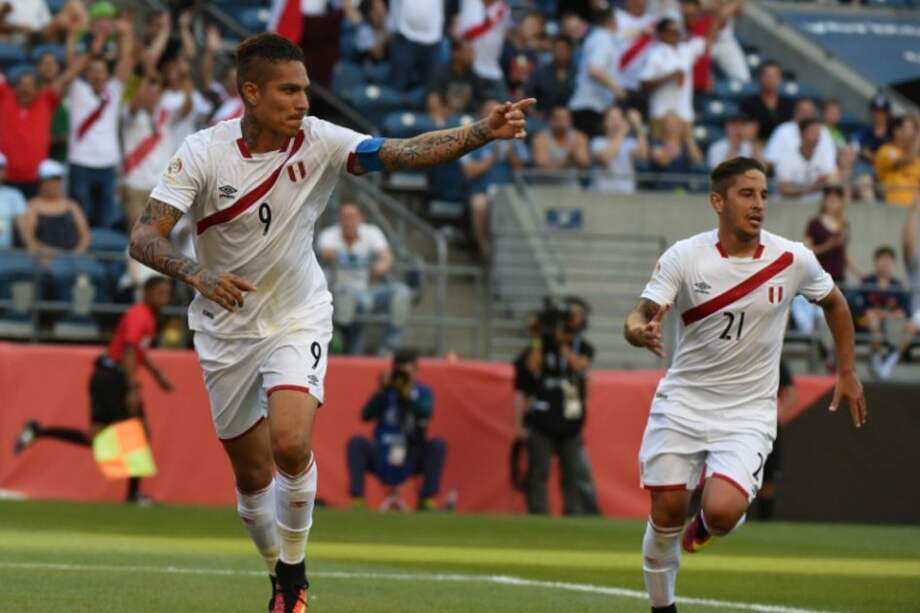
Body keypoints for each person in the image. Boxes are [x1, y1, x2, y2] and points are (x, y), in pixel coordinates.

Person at [127, 32, 534, 612]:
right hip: (225, 326)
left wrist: (478, 133)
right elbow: (144, 235)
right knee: (251, 479)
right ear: (251, 92)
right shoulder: (201, 152)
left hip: (297, 314)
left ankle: (294, 575)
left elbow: (399, 151)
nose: (302, 102)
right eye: (289, 91)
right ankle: (277, 571)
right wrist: (196, 275)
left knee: (291, 445)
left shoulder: (318, 140)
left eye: (305, 89)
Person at [623, 156, 866, 613]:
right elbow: (640, 313)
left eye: (764, 195)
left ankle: (710, 528)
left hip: (747, 413)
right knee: (667, 513)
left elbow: (835, 303)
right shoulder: (685, 256)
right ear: (718, 201)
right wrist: (639, 330)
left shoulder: (792, 258)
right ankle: (662, 608)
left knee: (719, 512)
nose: (759, 205)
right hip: (684, 403)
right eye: (746, 194)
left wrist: (847, 371)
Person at [13, 276, 174, 503]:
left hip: (103, 376)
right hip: (115, 379)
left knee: (95, 439)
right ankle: (133, 495)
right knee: (137, 432)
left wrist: (157, 375)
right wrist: (131, 388)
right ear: (147, 294)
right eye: (160, 292)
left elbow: (136, 350)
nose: (164, 297)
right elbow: (129, 350)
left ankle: (39, 431)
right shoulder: (141, 315)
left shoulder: (147, 317)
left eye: (167, 293)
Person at [514, 297, 599, 516]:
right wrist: (539, 338)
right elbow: (533, 365)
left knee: (571, 471)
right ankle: (538, 511)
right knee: (539, 469)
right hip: (543, 414)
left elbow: (579, 366)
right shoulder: (543, 342)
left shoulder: (583, 346)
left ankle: (573, 512)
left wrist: (562, 344)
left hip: (570, 417)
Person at [346, 349, 447, 510]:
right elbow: (365, 415)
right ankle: (357, 499)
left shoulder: (422, 392)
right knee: (356, 443)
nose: (403, 378)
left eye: (407, 373)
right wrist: (381, 392)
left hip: (410, 451)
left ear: (415, 370)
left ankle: (427, 499)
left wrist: (407, 396)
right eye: (400, 372)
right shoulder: (386, 392)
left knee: (438, 445)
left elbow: (426, 412)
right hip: (382, 450)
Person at [316, 202, 412, 355]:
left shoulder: (372, 232)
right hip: (338, 291)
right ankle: (343, 345)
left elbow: (387, 257)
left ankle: (388, 348)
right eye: (345, 217)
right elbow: (326, 253)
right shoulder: (329, 234)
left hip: (367, 289)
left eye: (353, 217)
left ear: (361, 218)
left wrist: (380, 266)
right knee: (358, 301)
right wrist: (350, 258)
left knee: (401, 293)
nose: (349, 222)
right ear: (339, 220)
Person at [66, 14, 133, 228]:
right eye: (93, 70)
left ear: (106, 74)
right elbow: (72, 63)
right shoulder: (78, 89)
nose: (97, 74)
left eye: (101, 71)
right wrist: (98, 40)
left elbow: (127, 61)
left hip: (107, 162)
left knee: (105, 217)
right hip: (80, 161)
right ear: (86, 73)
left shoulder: (113, 90)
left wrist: (125, 34)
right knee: (80, 218)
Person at [16, 160, 109, 305]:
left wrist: (77, 253)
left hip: (75, 255)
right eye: (50, 180)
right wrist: (44, 253)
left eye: (57, 180)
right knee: (60, 275)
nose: (54, 184)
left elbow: (85, 235)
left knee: (97, 273)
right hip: (48, 257)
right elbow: (28, 237)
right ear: (41, 182)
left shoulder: (71, 205)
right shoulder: (33, 206)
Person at [639, 14, 724, 132]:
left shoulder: (686, 50)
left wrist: (720, 17)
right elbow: (644, 84)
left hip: (684, 113)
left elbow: (707, 40)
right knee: (659, 148)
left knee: (685, 148)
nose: (675, 34)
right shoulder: (654, 55)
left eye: (677, 31)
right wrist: (669, 77)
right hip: (661, 114)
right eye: (670, 31)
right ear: (661, 34)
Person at [852, 246, 917, 380]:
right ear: (876, 262)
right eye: (882, 260)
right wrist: (887, 314)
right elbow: (862, 310)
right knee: (873, 320)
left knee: (910, 328)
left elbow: (904, 312)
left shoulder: (897, 285)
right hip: (866, 324)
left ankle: (889, 362)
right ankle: (875, 357)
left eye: (889, 261)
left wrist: (882, 314)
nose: (885, 264)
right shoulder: (867, 282)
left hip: (892, 327)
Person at [568, 8, 625, 137]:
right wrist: (616, 88)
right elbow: (594, 69)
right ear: (611, 21)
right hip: (589, 106)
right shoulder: (603, 39)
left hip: (594, 105)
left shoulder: (599, 37)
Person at [752, 359, 797, 521]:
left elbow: (792, 394)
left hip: (767, 425)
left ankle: (764, 522)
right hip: (741, 420)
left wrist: (779, 414)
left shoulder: (775, 360)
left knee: (769, 477)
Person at [457, 0, 511, 100]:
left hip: (493, 68)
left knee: (506, 107)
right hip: (471, 67)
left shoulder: (502, 9)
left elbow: (508, 33)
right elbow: (463, 34)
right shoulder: (469, 3)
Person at [775, 119, 839, 203]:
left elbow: (834, 179)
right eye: (813, 133)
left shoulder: (824, 154)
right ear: (801, 134)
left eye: (818, 134)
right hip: (791, 205)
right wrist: (811, 188)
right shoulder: (786, 156)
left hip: (818, 204)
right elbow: (783, 188)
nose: (817, 137)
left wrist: (827, 181)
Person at [590, 105, 649, 194]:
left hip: (626, 195)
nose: (616, 122)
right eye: (612, 118)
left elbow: (642, 155)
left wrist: (638, 125)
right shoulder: (597, 142)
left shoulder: (629, 143)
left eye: (619, 118)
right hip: (602, 195)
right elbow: (605, 157)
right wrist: (622, 133)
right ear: (604, 123)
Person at [532, 106, 590, 185]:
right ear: (551, 120)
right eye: (559, 118)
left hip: (570, 187)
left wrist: (574, 156)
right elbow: (543, 166)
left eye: (565, 118)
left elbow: (584, 164)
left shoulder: (580, 137)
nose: (562, 122)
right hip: (545, 187)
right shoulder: (540, 138)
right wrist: (567, 160)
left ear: (570, 121)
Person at [739, 61, 795, 144]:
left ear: (781, 79)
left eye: (775, 76)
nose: (771, 80)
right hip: (756, 147)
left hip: (783, 148)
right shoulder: (749, 103)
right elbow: (748, 133)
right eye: (768, 76)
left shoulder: (789, 104)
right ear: (760, 78)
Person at [524, 35, 575, 119]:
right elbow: (526, 94)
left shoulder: (578, 73)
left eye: (563, 49)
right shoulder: (541, 72)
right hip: (544, 118)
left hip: (571, 119)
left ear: (570, 51)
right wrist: (534, 114)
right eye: (556, 49)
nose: (559, 52)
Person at [875, 116, 920, 207]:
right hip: (895, 208)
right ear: (897, 131)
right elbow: (906, 160)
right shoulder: (886, 150)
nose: (913, 134)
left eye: (915, 130)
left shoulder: (918, 160)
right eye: (911, 129)